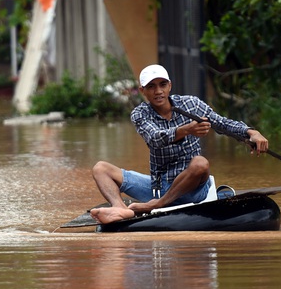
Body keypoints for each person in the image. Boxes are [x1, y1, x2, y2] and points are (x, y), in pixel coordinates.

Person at [90, 64, 269, 224]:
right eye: (151, 87)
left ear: (170, 86)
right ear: (142, 90)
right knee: (100, 168)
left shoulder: (191, 104)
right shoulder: (139, 113)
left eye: (162, 85)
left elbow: (222, 124)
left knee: (200, 163)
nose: (158, 91)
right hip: (158, 187)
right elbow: (154, 138)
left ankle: (156, 205)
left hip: (192, 188)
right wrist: (185, 130)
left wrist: (250, 133)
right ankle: (120, 209)